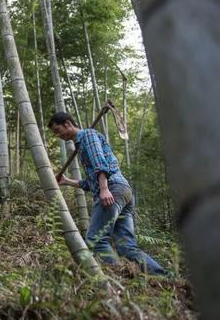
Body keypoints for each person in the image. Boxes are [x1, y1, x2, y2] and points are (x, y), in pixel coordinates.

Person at [48, 112, 168, 276]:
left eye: (58, 130)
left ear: (68, 124)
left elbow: (99, 163)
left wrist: (104, 189)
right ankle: (163, 277)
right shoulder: (81, 144)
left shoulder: (87, 135)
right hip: (123, 191)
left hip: (112, 189)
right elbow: (91, 183)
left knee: (96, 240)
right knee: (126, 246)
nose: (58, 135)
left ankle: (120, 279)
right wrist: (67, 182)